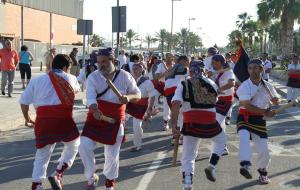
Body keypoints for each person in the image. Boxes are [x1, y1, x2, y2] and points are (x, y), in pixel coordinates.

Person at [79, 48, 141, 190]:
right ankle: (91, 176)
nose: (101, 65)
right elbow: (90, 97)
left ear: (113, 61)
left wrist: (128, 97)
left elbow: (138, 94)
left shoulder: (124, 76)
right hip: (96, 117)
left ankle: (109, 183)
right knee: (83, 145)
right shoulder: (93, 77)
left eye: (104, 62)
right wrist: (94, 109)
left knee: (112, 154)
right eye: (99, 62)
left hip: (115, 120)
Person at [19, 54, 81, 190]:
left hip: (43, 121)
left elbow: (23, 102)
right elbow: (76, 91)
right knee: (74, 144)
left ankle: (37, 185)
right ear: (65, 67)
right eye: (69, 68)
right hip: (64, 121)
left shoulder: (37, 80)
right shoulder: (71, 78)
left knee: (42, 155)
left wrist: (27, 118)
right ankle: (58, 172)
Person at [171, 61, 226, 190]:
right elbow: (216, 99)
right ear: (203, 70)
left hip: (191, 123)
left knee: (188, 156)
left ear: (190, 71)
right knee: (221, 141)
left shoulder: (183, 84)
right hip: (210, 123)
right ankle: (211, 165)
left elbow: (175, 103)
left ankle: (187, 184)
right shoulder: (212, 83)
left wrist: (174, 125)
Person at [236, 59, 279, 184]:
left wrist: (275, 102)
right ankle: (245, 165)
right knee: (243, 138)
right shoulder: (245, 86)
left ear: (261, 69)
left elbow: (274, 101)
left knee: (264, 151)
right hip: (245, 118)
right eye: (250, 68)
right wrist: (266, 112)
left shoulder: (268, 86)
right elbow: (247, 106)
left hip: (259, 120)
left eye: (255, 67)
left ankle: (262, 173)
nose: (252, 70)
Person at [127, 63, 156, 152]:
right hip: (130, 104)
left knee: (136, 125)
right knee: (120, 121)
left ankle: (137, 145)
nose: (135, 70)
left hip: (141, 106)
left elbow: (153, 95)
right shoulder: (129, 80)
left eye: (137, 68)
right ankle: (118, 140)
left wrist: (150, 108)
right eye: (133, 68)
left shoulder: (147, 82)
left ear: (142, 70)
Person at [211, 54, 235, 155]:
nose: (212, 64)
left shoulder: (228, 71)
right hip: (218, 100)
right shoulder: (216, 72)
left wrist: (219, 90)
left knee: (215, 123)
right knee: (221, 124)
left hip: (226, 100)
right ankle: (223, 147)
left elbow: (231, 83)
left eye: (213, 62)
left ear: (219, 62)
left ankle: (222, 146)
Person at [154, 53, 176, 131]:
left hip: (172, 87)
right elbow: (156, 78)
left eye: (171, 57)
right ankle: (155, 109)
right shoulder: (161, 65)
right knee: (154, 94)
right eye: (168, 57)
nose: (169, 59)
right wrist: (165, 73)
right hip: (162, 85)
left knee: (169, 105)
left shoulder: (175, 66)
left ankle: (169, 122)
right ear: (165, 58)